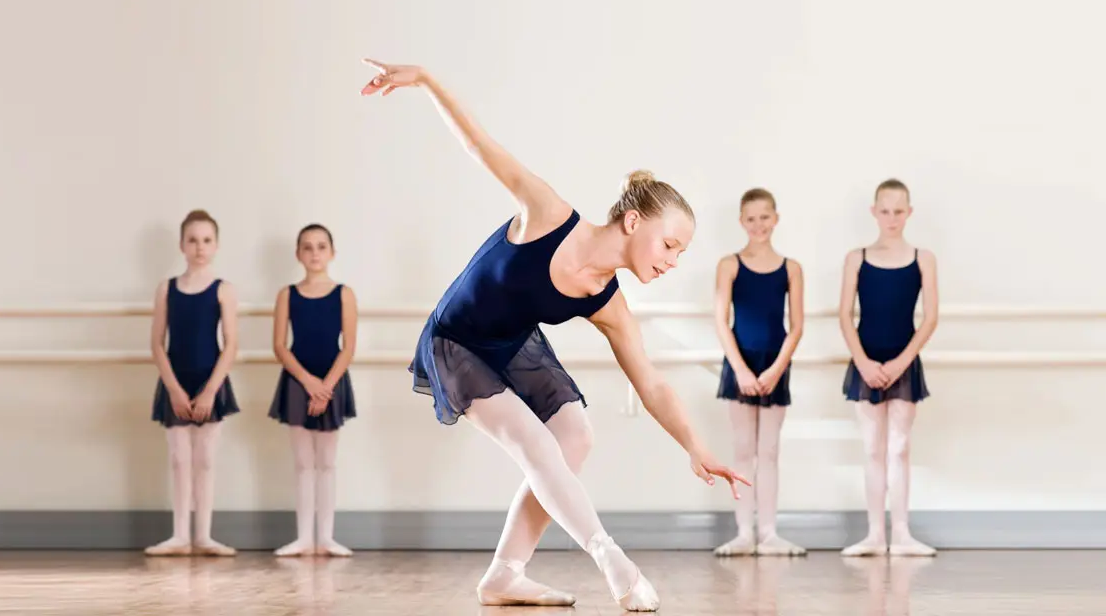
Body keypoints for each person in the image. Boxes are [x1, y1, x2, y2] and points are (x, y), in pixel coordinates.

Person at [362, 59, 746, 612]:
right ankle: (614, 561)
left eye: (682, 254)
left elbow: (652, 385)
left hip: (512, 343)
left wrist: (696, 447)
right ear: (634, 222)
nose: (674, 261)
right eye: (670, 245)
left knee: (576, 436)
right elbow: (478, 144)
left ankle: (504, 574)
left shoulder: (608, 304)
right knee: (535, 444)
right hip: (456, 341)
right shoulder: (550, 215)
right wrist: (425, 80)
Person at [838, 179, 939, 557]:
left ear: (909, 213)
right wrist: (864, 362)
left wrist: (900, 362)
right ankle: (874, 535)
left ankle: (901, 533)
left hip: (904, 360)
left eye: (899, 211)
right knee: (872, 449)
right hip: (865, 361)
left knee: (899, 448)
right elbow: (845, 316)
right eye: (886, 211)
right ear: (874, 212)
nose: (892, 218)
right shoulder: (857, 257)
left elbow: (929, 318)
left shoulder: (923, 258)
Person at [711, 187, 807, 556]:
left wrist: (775, 370)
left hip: (775, 362)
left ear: (776, 218)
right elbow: (721, 321)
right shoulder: (729, 265)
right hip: (740, 361)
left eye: (765, 217)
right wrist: (741, 370)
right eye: (751, 219)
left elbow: (796, 326)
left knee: (769, 451)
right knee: (742, 450)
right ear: (741, 222)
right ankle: (743, 533)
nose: (758, 225)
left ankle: (768, 533)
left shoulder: (792, 269)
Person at [144, 209, 240, 557]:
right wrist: (173, 388)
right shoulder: (166, 289)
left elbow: (230, 343)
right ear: (182, 245)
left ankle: (204, 535)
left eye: (207, 240)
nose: (200, 247)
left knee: (206, 460)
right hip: (175, 381)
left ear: (215, 245)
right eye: (193, 240)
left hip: (210, 382)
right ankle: (180, 535)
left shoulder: (223, 290)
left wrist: (211, 390)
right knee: (178, 459)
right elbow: (157, 342)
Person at [268, 222, 360, 557]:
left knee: (327, 463)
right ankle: (304, 537)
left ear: (332, 253)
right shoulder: (287, 295)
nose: (314, 253)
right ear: (298, 254)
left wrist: (326, 386)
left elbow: (348, 346)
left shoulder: (344, 294)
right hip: (297, 382)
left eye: (321, 246)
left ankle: (326, 537)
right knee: (303, 463)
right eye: (307, 247)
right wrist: (308, 383)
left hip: (332, 382)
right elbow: (280, 345)